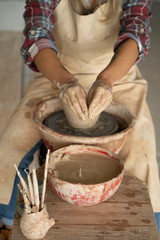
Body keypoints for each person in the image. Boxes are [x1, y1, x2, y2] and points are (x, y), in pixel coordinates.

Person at [0, 0, 160, 239]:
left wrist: (106, 80)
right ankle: (6, 223)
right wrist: (65, 82)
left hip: (118, 76)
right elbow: (36, 37)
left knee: (142, 155)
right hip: (56, 73)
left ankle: (150, 228)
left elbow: (135, 33)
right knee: (10, 146)